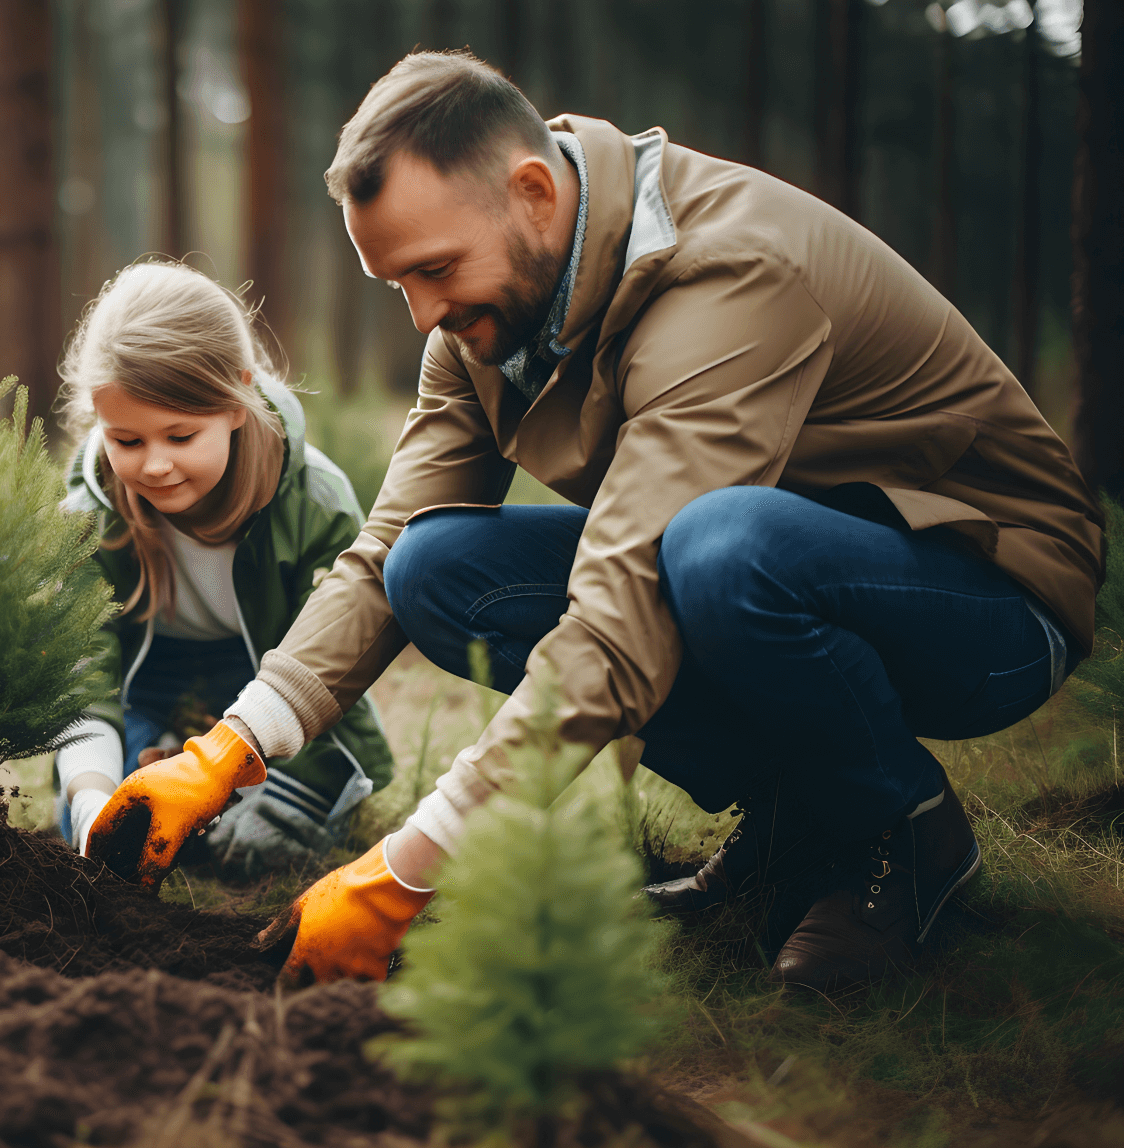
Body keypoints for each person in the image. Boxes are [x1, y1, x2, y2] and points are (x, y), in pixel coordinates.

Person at [84, 51, 1104, 990]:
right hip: (775, 554)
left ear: (532, 190)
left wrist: (406, 867)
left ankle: (900, 825)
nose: (422, 316)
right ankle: (797, 816)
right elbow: (389, 543)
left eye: (433, 270)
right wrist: (231, 748)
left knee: (717, 551)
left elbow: (622, 616)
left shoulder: (726, 276)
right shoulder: (488, 308)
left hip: (988, 591)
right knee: (436, 566)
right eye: (395, 282)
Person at [53, 261, 393, 878]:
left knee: (262, 846)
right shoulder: (88, 519)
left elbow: (332, 661)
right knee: (129, 814)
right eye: (126, 441)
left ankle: (294, 794)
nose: (154, 465)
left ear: (237, 399)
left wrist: (287, 773)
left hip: (268, 684)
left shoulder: (313, 505)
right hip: (146, 684)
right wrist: (90, 795)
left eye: (181, 436)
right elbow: (86, 675)